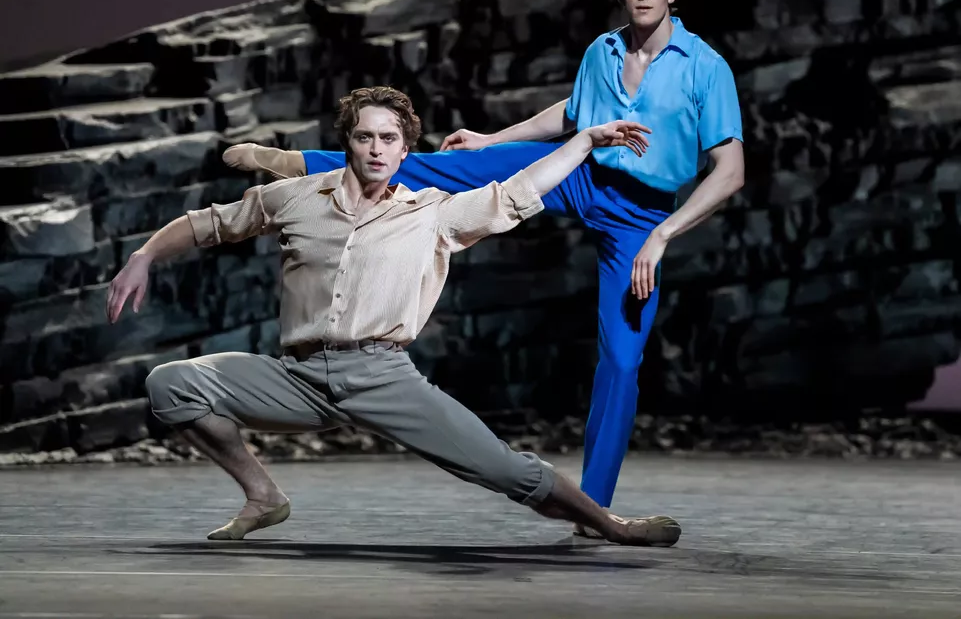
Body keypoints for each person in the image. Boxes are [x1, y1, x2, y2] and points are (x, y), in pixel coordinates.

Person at [223, 0, 745, 536]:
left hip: (641, 215)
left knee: (622, 362)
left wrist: (662, 237)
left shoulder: (705, 66)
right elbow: (572, 114)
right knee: (452, 168)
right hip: (582, 171)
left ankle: (592, 510)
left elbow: (729, 171)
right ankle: (300, 164)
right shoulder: (602, 50)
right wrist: (494, 141)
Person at [106, 85, 681, 547]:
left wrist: (583, 141)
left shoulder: (431, 214)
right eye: (365, 137)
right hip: (298, 376)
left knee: (504, 470)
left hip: (382, 376)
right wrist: (144, 256)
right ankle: (264, 496)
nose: (377, 149)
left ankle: (610, 524)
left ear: (406, 151)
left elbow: (516, 193)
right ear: (348, 143)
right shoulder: (297, 197)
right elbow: (209, 223)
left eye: (389, 139)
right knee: (172, 384)